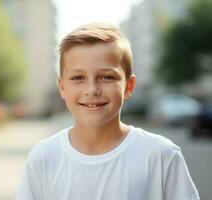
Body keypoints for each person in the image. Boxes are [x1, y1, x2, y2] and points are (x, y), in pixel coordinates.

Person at [16, 22, 200, 200]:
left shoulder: (161, 155)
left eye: (106, 77)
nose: (92, 89)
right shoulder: (43, 157)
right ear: (62, 87)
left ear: (128, 85)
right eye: (78, 77)